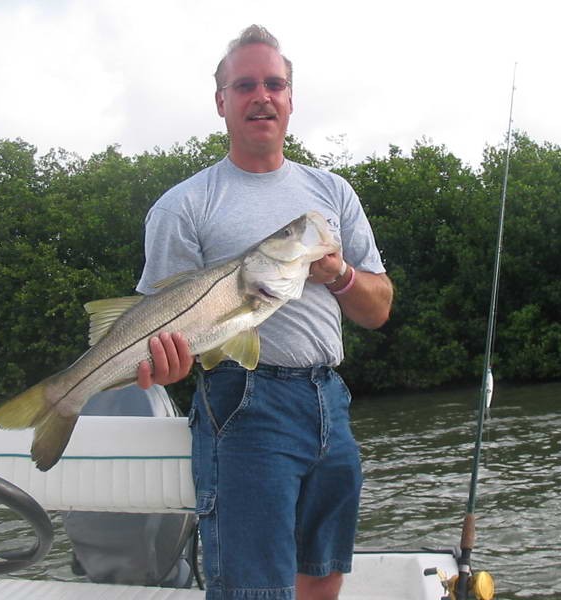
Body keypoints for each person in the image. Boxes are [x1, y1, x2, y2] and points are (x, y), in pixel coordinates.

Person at [134, 24, 393, 600]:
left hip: (330, 397)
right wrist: (170, 365)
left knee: (323, 567)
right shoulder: (184, 206)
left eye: (275, 84)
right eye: (245, 84)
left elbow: (378, 309)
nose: (262, 96)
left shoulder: (333, 192)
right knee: (254, 587)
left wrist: (340, 274)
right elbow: (157, 326)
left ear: (291, 99)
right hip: (240, 404)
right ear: (221, 101)